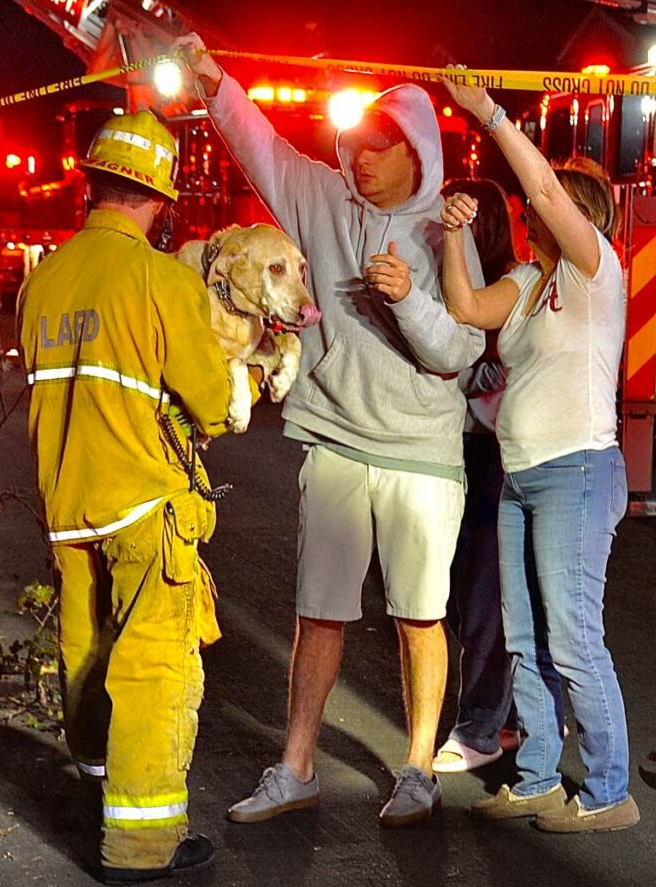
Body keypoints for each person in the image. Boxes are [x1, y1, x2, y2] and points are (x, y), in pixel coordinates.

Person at [173, 33, 486, 828]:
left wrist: (411, 297)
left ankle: (417, 768)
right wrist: (214, 78)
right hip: (337, 440)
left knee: (420, 613)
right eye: (354, 148)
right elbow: (260, 146)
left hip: (420, 453)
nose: (361, 161)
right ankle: (297, 765)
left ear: (416, 152)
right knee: (320, 610)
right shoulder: (321, 198)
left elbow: (458, 352)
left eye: (378, 149)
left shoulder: (444, 231)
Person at [18, 110, 245, 881]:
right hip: (145, 505)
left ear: (94, 183)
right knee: (153, 665)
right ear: (160, 198)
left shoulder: (44, 277)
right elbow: (211, 403)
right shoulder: (160, 278)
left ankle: (98, 793)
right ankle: (142, 846)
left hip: (67, 503)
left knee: (83, 653)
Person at [440, 72, 640, 832]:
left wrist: (489, 113)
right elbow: (465, 307)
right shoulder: (528, 279)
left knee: (572, 636)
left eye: (543, 202)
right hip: (522, 477)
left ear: (577, 211)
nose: (529, 211)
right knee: (523, 637)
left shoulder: (596, 270)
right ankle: (534, 777)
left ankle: (607, 790)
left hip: (577, 473)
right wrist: (453, 232)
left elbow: (548, 194)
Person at [432, 178, 519, 774]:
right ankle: (512, 716)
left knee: (486, 587)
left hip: (496, 452)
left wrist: (474, 374)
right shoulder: (440, 273)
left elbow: (506, 367)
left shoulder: (512, 281)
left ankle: (482, 725)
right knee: (453, 589)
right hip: (446, 445)